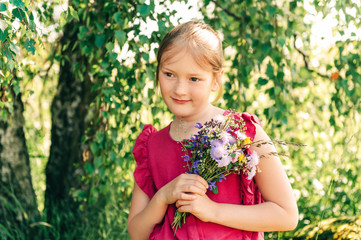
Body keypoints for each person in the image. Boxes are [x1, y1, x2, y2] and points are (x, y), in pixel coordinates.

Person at [127, 20, 298, 240]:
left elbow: (286, 215)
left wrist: (212, 211)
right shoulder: (151, 146)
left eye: (194, 78)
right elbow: (136, 233)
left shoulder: (242, 133)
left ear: (215, 80)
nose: (179, 89)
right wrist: (163, 196)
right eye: (169, 74)